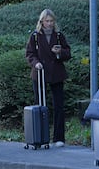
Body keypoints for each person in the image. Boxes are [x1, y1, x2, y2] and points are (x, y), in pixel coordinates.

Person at [26, 9, 71, 147]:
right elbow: (29, 54)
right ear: (42, 22)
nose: (50, 24)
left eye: (52, 21)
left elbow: (68, 53)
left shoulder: (58, 35)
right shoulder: (35, 36)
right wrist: (36, 63)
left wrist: (59, 53)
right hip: (39, 73)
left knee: (58, 105)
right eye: (47, 21)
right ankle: (39, 137)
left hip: (56, 73)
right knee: (39, 104)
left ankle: (59, 138)